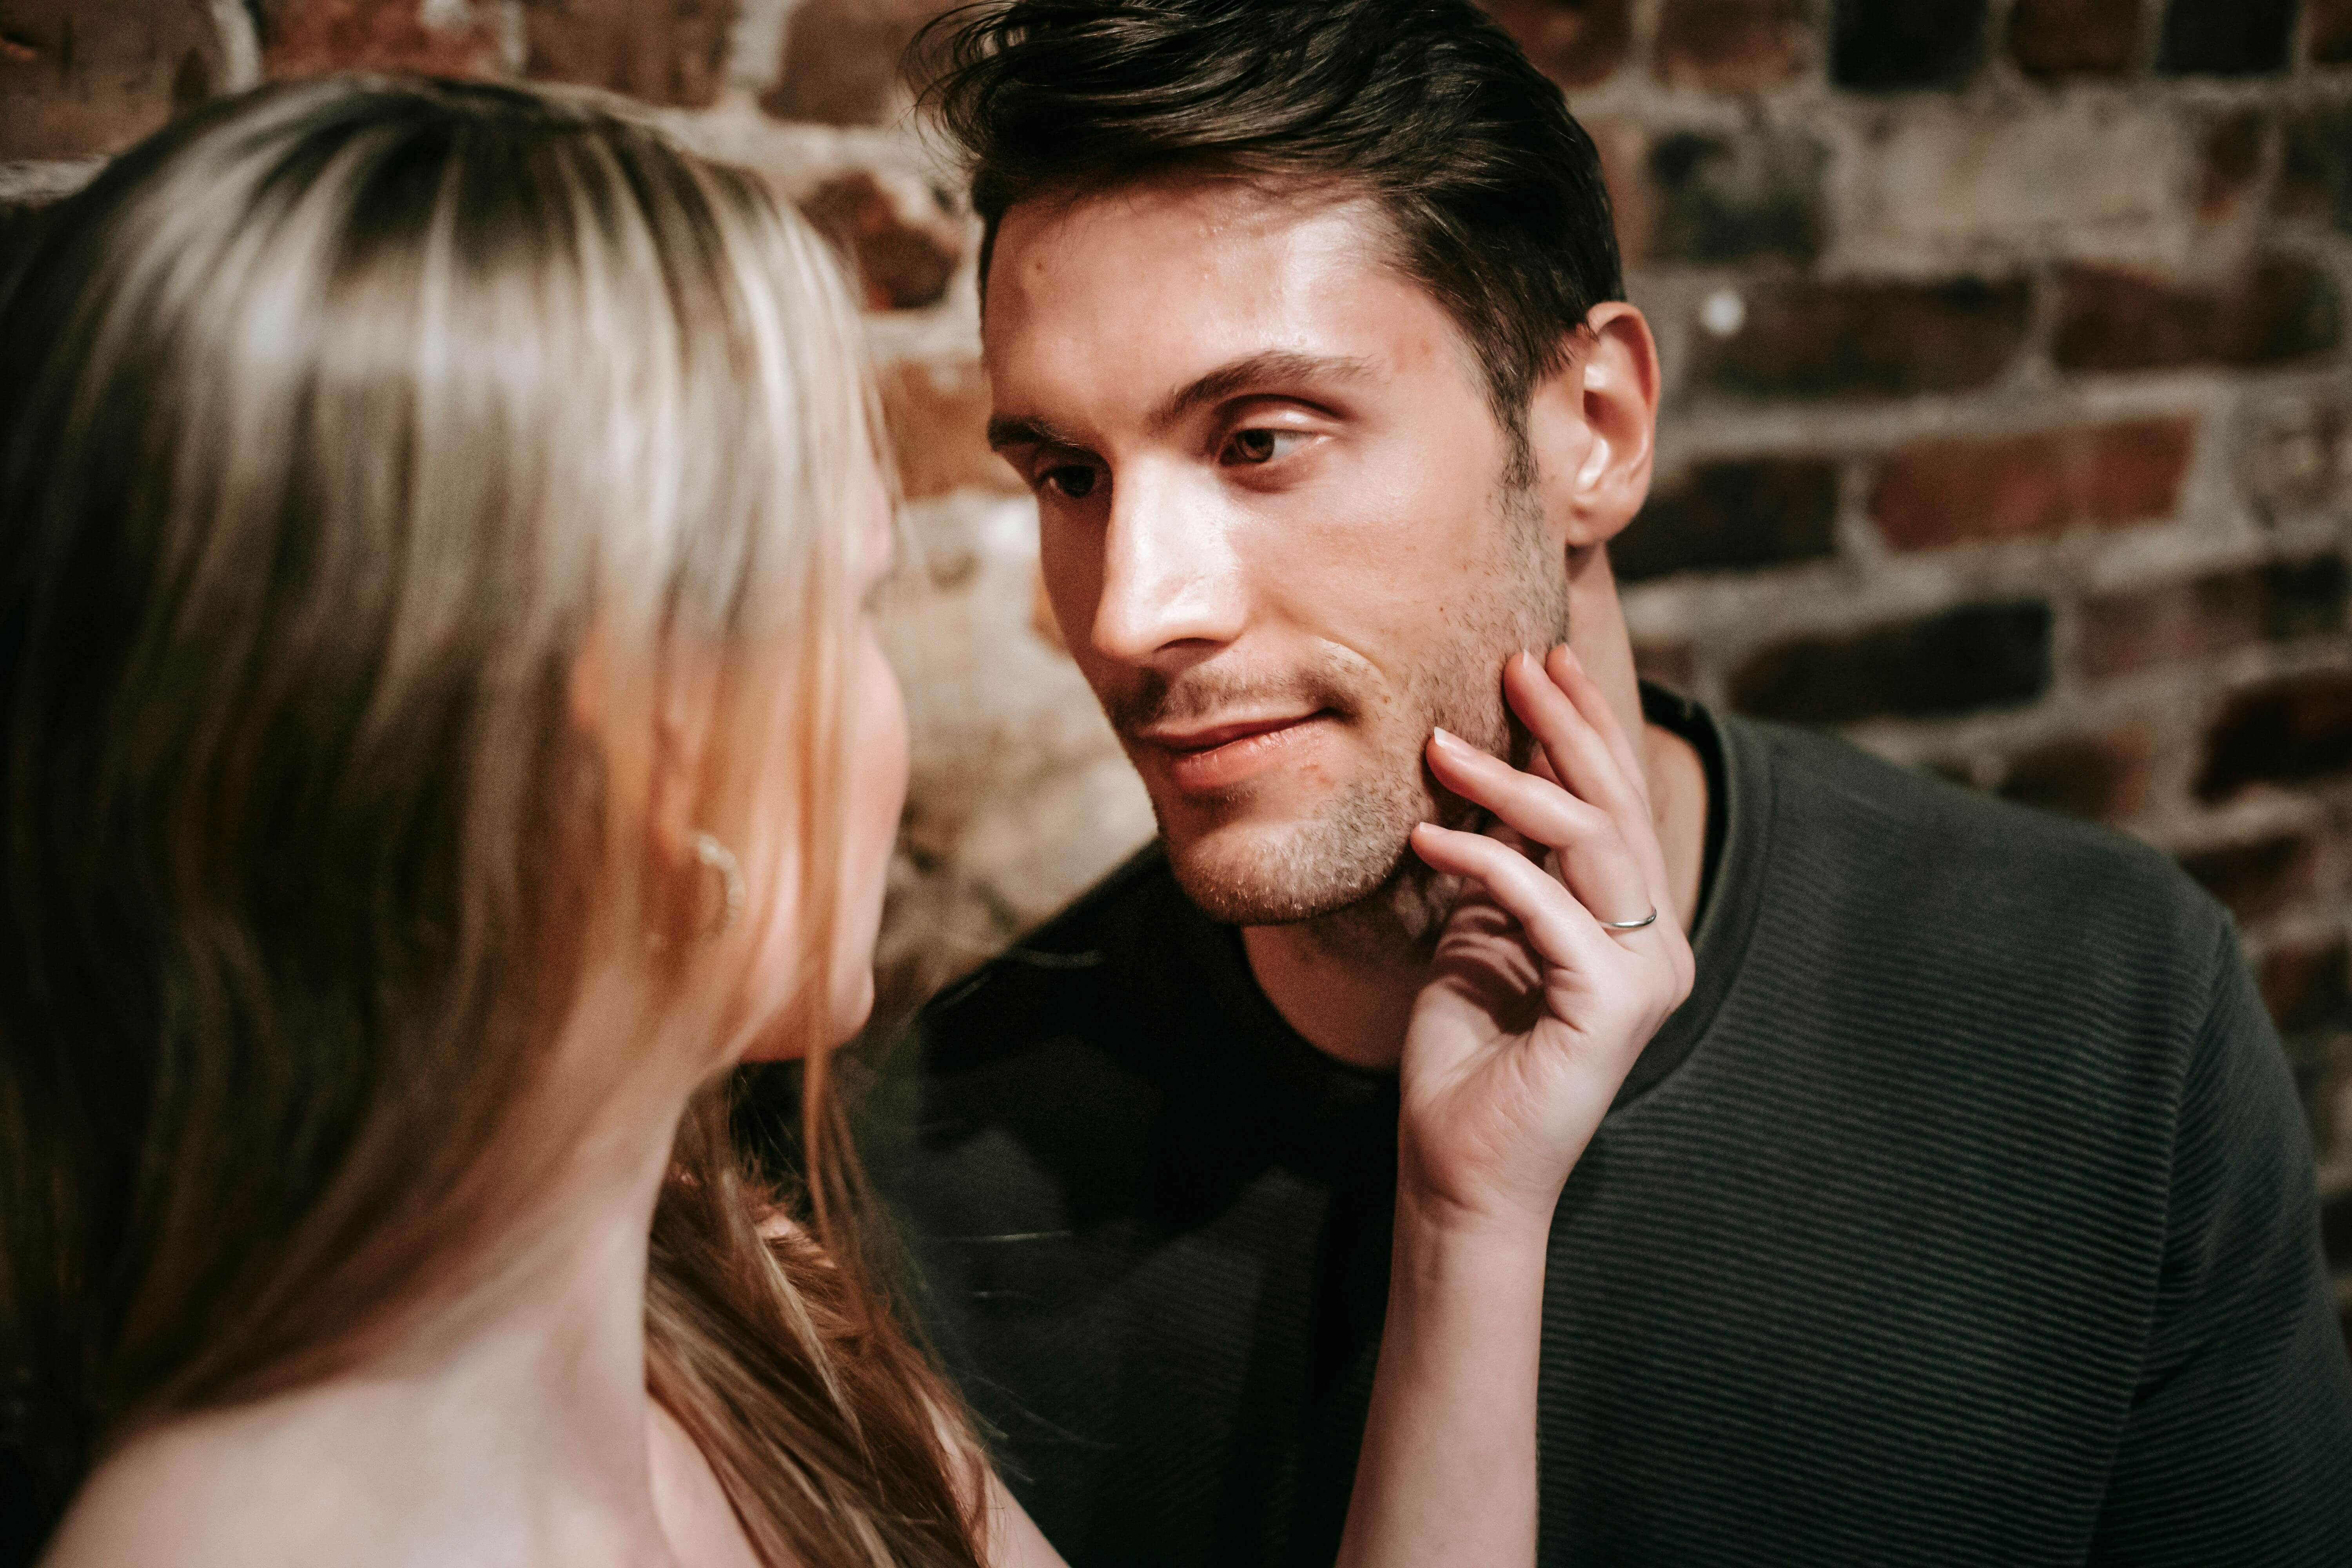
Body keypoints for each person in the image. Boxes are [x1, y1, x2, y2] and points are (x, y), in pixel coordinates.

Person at [0, 73, 1685, 1568]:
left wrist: (1468, 1231)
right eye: (843, 610)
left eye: (1257, 441)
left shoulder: (767, 1331)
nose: (1114, 622)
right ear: (631, 734)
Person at [867, 2, 2352, 1564]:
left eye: (1258, 441)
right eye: (1070, 477)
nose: (1125, 612)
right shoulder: (915, 1184)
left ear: (1595, 427)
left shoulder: (2099, 1004)